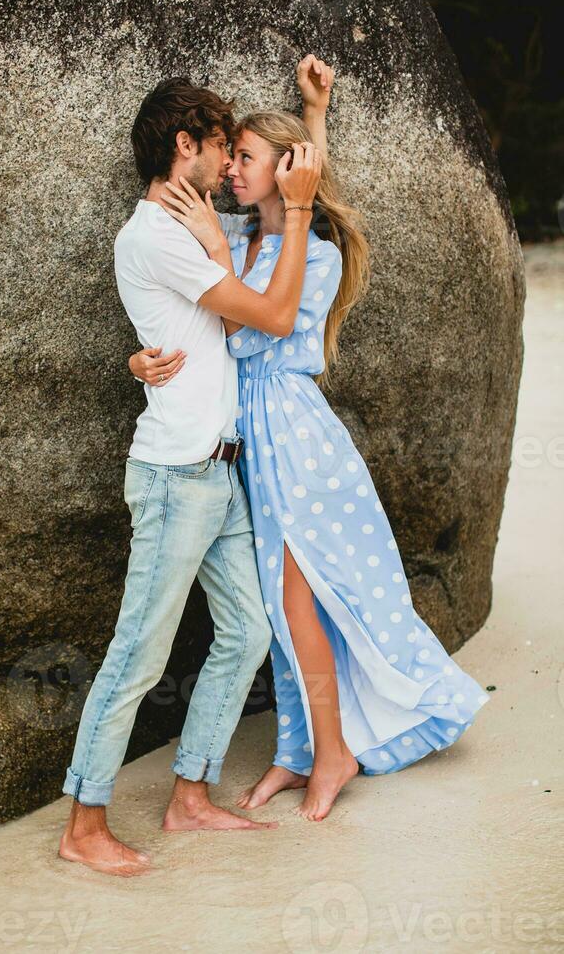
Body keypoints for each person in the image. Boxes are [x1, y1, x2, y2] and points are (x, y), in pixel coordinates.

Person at [128, 55, 491, 822]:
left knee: (299, 607)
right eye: (234, 155)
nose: (233, 169)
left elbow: (260, 329)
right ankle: (303, 750)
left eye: (248, 159)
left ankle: (332, 753)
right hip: (251, 442)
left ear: (285, 176)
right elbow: (194, 315)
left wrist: (302, 155)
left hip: (294, 441)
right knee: (289, 609)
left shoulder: (313, 256)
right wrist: (314, 113)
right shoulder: (236, 233)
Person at [59, 70, 323, 876]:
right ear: (187, 146)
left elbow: (208, 328)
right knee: (138, 652)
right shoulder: (157, 235)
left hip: (218, 470)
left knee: (244, 632)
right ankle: (84, 822)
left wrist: (315, 119)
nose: (226, 166)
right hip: (177, 474)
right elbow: (274, 316)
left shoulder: (188, 232)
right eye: (219, 147)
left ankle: (189, 797)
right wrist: (293, 211)